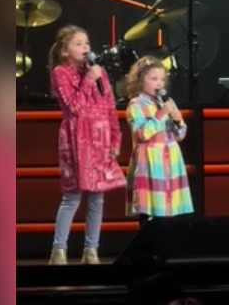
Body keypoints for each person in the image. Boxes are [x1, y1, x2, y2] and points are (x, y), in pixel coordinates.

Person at [46, 24, 126, 265]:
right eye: (79, 44)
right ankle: (59, 250)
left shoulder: (98, 72)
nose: (85, 48)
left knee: (97, 198)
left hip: (100, 140)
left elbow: (110, 107)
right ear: (64, 51)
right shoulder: (60, 72)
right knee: (72, 196)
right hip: (76, 140)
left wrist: (115, 138)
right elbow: (74, 107)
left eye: (87, 43)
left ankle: (91, 250)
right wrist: (89, 81)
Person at [124, 56, 193, 227]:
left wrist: (177, 121)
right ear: (141, 81)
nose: (159, 83)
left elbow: (180, 135)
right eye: (153, 79)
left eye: (162, 79)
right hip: (150, 162)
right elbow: (142, 134)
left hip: (170, 159)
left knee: (169, 210)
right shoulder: (136, 104)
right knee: (150, 210)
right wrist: (161, 114)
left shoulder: (168, 103)